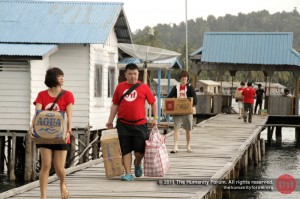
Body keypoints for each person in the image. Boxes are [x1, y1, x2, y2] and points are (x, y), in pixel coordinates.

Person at [106, 63, 158, 181]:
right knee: (125, 148)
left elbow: (153, 102)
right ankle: (128, 173)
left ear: (138, 74)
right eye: (130, 74)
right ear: (125, 75)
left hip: (140, 124)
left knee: (140, 150)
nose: (133, 76)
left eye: (135, 74)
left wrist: (155, 119)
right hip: (123, 123)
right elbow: (115, 104)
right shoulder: (120, 87)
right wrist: (110, 120)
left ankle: (138, 163)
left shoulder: (144, 87)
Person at [32, 67, 74, 199]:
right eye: (58, 76)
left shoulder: (67, 95)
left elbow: (69, 115)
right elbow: (37, 114)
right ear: (52, 78)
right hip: (45, 135)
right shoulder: (42, 95)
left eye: (62, 76)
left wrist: (69, 130)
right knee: (45, 165)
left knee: (59, 168)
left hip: (61, 135)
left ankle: (62, 183)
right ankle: (43, 196)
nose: (62, 78)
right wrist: (32, 128)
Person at [167, 70, 197, 153]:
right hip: (177, 111)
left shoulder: (190, 87)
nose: (184, 78)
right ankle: (175, 146)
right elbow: (169, 97)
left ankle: (188, 145)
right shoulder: (176, 87)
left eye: (185, 77)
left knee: (188, 129)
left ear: (187, 78)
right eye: (182, 77)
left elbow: (195, 98)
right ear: (180, 78)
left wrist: (191, 105)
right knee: (176, 128)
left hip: (187, 111)